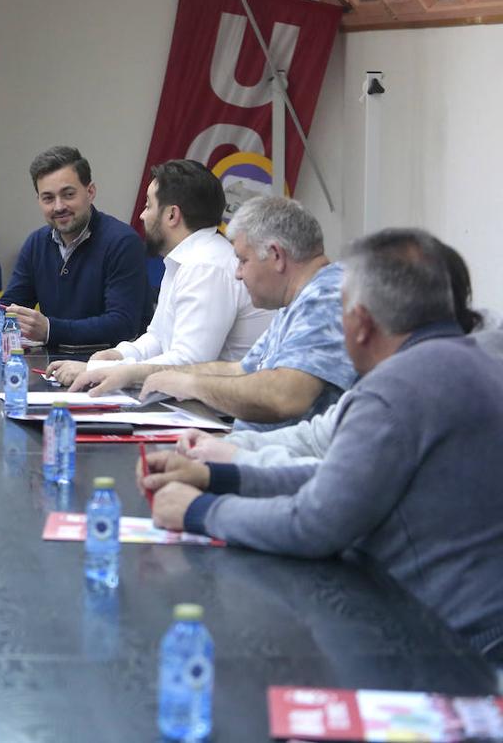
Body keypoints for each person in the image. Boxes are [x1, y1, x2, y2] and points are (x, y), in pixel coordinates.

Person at [141, 228, 503, 663]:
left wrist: (199, 512)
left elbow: (316, 522)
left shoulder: (396, 388)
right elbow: (346, 480)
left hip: (450, 648)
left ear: (362, 323)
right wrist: (220, 475)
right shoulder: (476, 360)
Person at [178, 240, 499, 469]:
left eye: (347, 311)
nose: (343, 325)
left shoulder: (420, 386)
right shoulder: (409, 369)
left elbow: (329, 499)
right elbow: (322, 437)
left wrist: (208, 499)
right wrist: (230, 449)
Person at [71, 195, 356, 431]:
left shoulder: (326, 296)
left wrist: (192, 384)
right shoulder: (299, 301)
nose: (238, 273)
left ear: (277, 256)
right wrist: (144, 374)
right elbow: (240, 369)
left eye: (243, 260)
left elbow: (285, 396)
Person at [47, 160, 271, 386]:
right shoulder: (185, 258)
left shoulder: (205, 266)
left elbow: (189, 363)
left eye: (148, 205)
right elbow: (159, 338)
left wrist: (101, 370)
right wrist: (119, 354)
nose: (143, 216)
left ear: (172, 215)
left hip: (224, 415)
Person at [0, 146, 146, 347]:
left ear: (90, 192)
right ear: (39, 201)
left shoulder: (123, 242)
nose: (59, 206)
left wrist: (50, 329)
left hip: (109, 366)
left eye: (68, 194)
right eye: (48, 198)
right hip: (52, 365)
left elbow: (123, 324)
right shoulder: (36, 243)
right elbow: (14, 305)